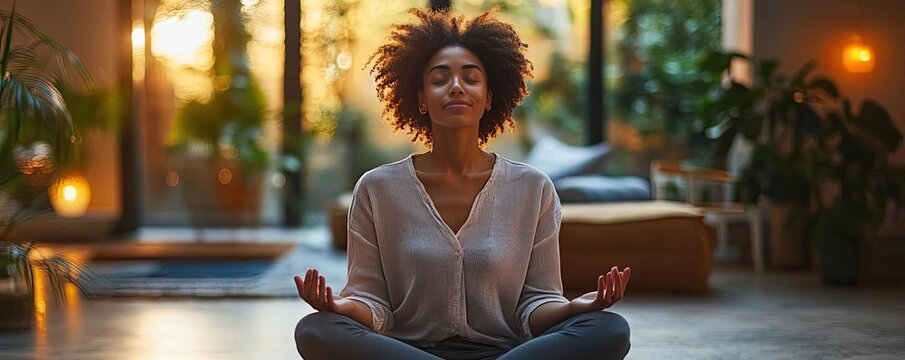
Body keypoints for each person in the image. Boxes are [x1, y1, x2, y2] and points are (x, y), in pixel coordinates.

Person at [294, 8, 631, 360]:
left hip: (503, 352)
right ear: (422, 99)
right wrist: (340, 306)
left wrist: (575, 307)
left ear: (488, 97)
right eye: (440, 79)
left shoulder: (534, 188)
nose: (456, 86)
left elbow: (536, 303)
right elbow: (372, 303)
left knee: (609, 328)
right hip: (408, 352)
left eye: (470, 77)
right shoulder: (377, 189)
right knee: (316, 329)